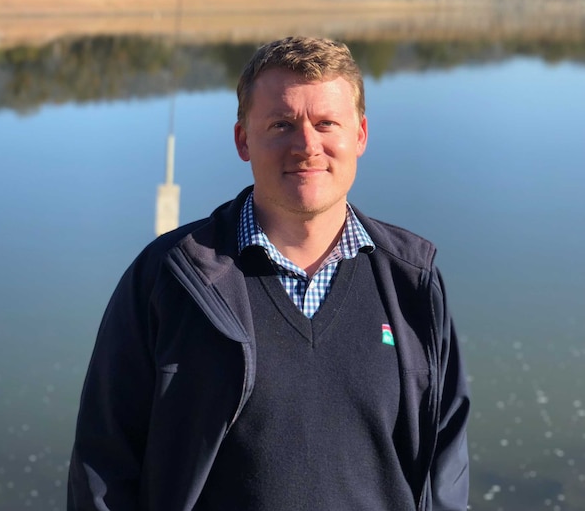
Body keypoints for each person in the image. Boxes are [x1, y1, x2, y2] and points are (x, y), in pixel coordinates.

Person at [67, 36, 470, 511]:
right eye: (282, 124)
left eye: (326, 124)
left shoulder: (412, 281)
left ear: (360, 135)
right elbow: (103, 468)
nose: (306, 146)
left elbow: (446, 474)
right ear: (243, 139)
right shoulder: (169, 278)